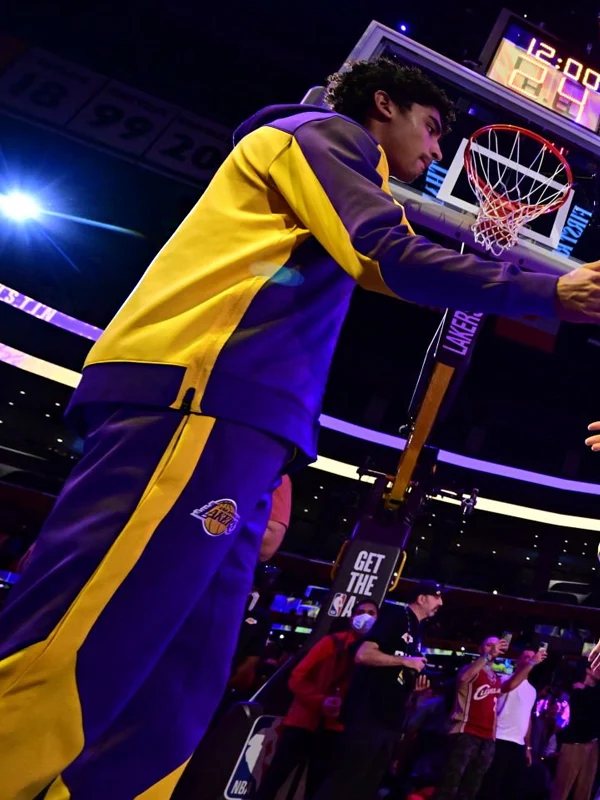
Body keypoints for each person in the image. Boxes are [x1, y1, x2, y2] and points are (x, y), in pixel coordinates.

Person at [2, 57, 600, 799]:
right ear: (383, 103)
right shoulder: (319, 133)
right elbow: (387, 252)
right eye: (434, 127)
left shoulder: (342, 187)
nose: (439, 152)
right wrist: (547, 289)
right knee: (83, 641)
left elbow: (385, 263)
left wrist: (520, 283)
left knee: (178, 682)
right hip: (199, 392)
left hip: (249, 421)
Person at [312, 580, 444, 800]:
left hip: (390, 720)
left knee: (366, 786)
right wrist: (406, 663)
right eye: (437, 596)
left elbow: (398, 672)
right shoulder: (396, 617)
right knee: (345, 782)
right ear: (421, 598)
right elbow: (363, 654)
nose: (440, 602)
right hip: (369, 714)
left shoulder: (418, 630)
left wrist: (414, 688)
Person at [254, 600, 378, 800]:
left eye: (371, 613)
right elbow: (297, 677)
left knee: (317, 787)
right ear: (351, 617)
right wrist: (320, 700)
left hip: (336, 729)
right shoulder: (331, 643)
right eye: (361, 612)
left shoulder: (374, 656)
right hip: (303, 721)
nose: (366, 617)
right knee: (273, 780)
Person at [433, 637, 547, 800]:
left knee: (471, 788)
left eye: (496, 646)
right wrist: (488, 656)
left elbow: (507, 694)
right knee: (450, 785)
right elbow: (465, 678)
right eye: (489, 645)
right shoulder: (472, 670)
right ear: (480, 648)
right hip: (466, 732)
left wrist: (526, 746)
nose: (493, 648)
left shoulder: (495, 677)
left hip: (487, 738)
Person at [476, 647, 539, 800]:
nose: (530, 659)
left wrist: (528, 747)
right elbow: (509, 687)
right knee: (491, 785)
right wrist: (531, 663)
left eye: (532, 657)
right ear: (517, 661)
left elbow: (527, 718)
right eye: (526, 656)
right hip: (499, 738)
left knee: (512, 789)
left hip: (518, 744)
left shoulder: (532, 690)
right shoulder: (504, 680)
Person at [550, 666, 600, 800]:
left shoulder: (592, 691)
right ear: (587, 670)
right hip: (574, 744)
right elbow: (583, 713)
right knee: (562, 789)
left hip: (593, 745)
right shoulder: (577, 689)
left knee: (585, 790)